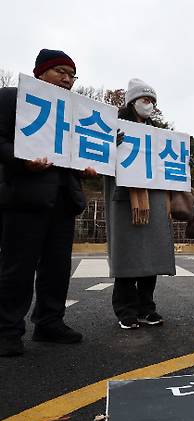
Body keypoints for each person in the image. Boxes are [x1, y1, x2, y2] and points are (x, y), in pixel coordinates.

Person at [0, 49, 96, 357]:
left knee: (57, 267)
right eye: (60, 72)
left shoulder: (75, 113)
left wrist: (90, 165)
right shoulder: (11, 98)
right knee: (17, 266)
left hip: (64, 200)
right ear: (40, 73)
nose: (67, 80)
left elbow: (80, 151)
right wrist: (22, 161)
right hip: (24, 198)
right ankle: (7, 330)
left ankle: (49, 322)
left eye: (72, 75)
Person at [104, 79, 174, 330]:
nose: (150, 105)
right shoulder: (114, 128)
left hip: (154, 198)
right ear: (131, 102)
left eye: (153, 101)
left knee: (151, 255)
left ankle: (147, 307)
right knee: (128, 255)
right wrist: (112, 144)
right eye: (145, 100)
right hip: (125, 198)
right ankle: (125, 309)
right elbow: (100, 158)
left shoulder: (157, 133)